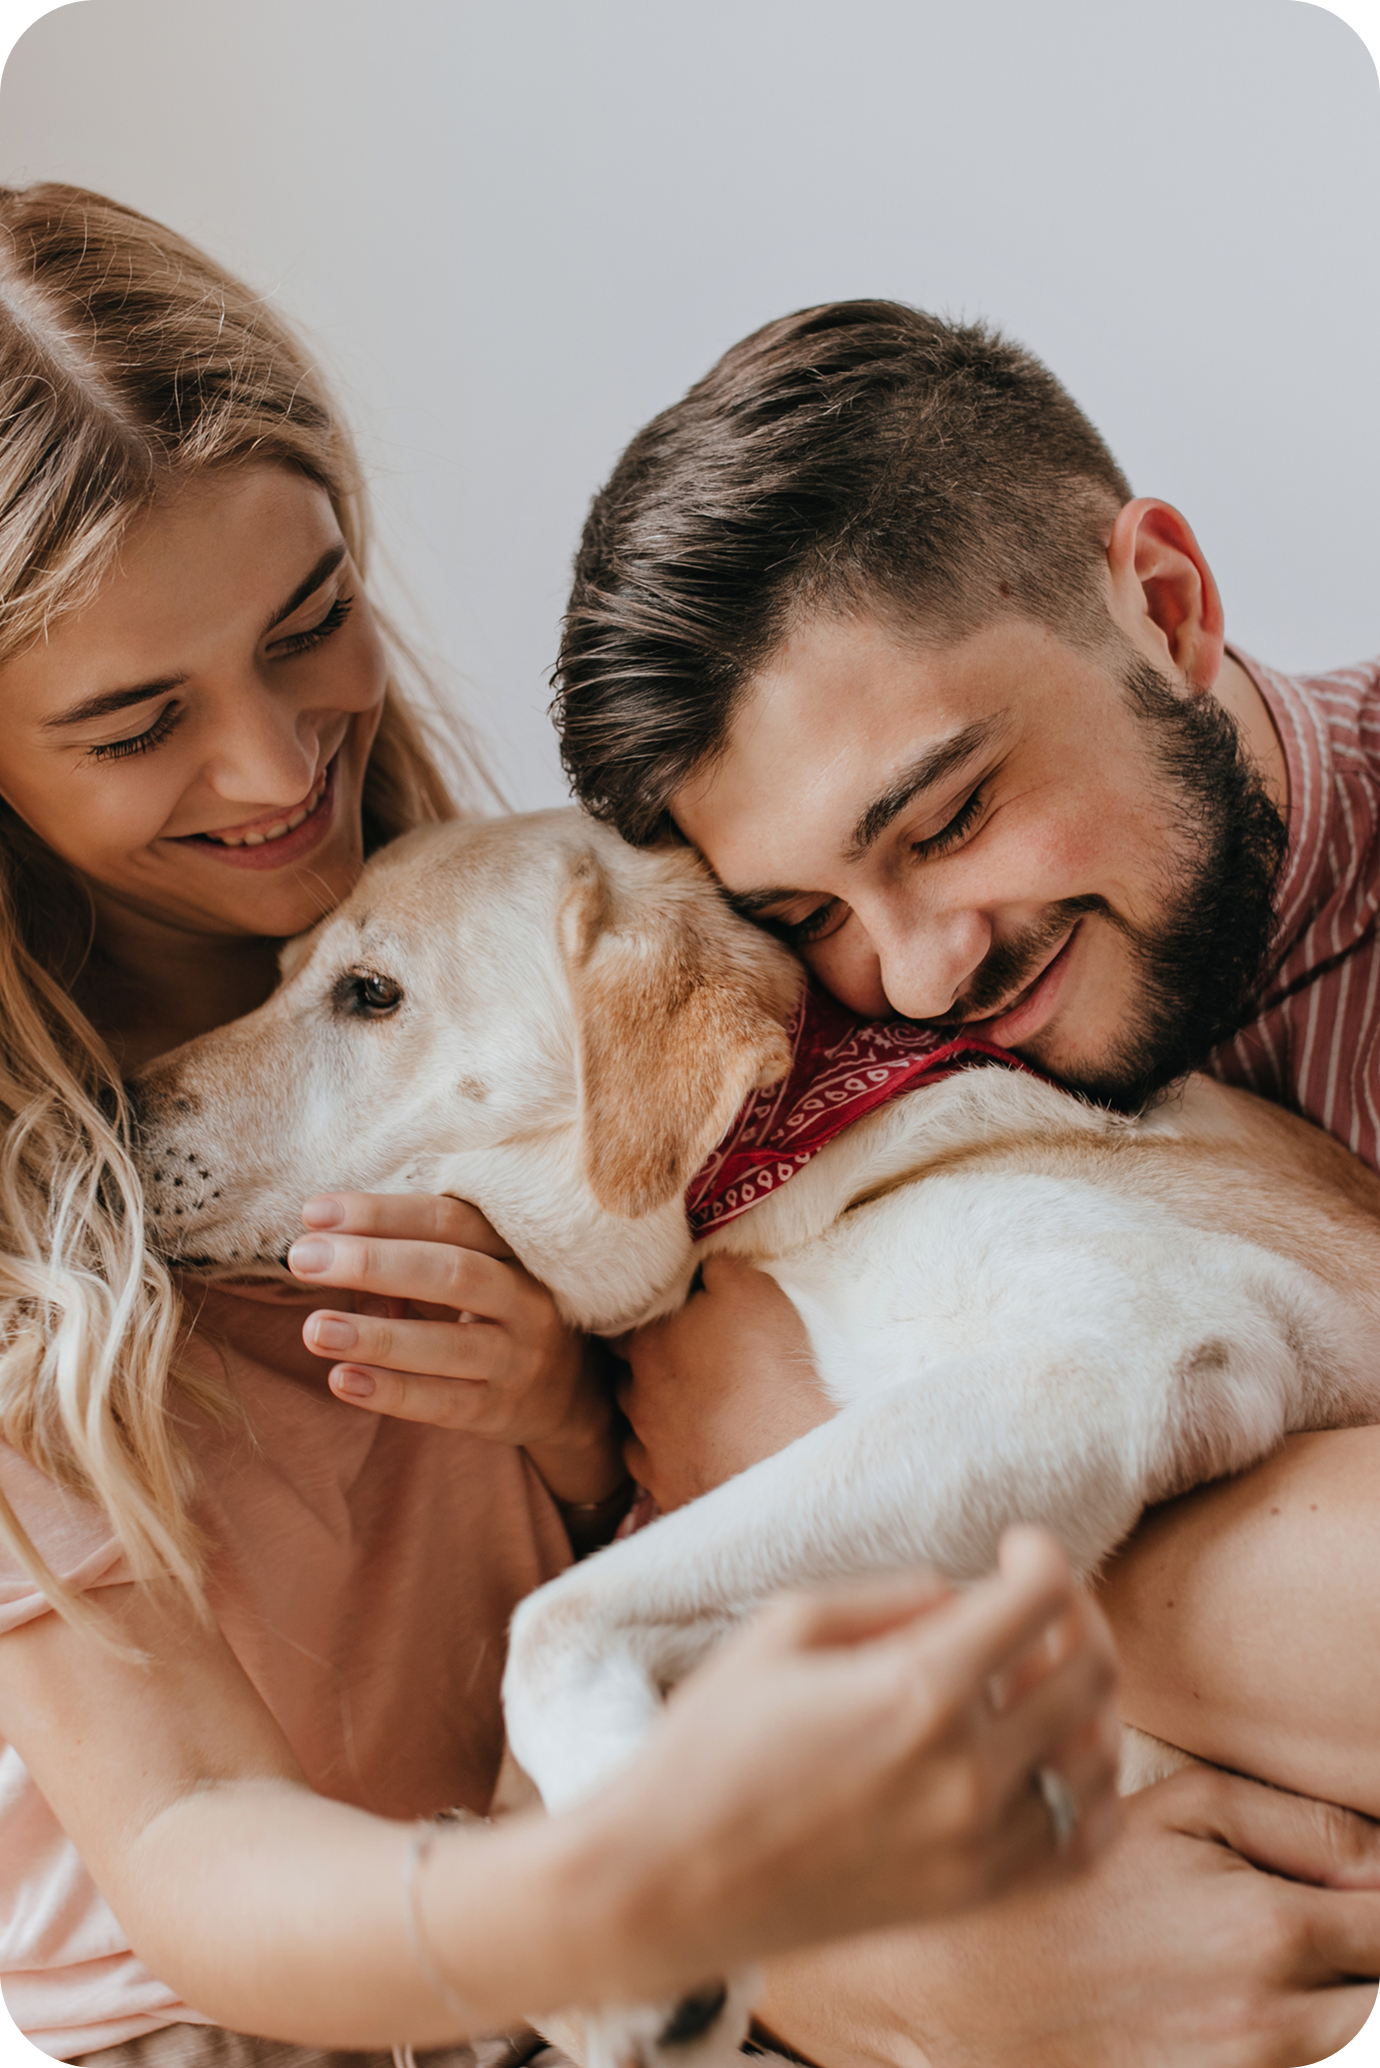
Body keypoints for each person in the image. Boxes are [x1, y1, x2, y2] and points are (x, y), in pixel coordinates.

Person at [0, 192, 1124, 2066]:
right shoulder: (28, 1244)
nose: (276, 768)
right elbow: (188, 1839)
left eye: (311, 622)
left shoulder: (528, 950)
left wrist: (567, 1414)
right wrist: (620, 1900)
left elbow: (677, 1488)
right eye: (133, 725)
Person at [549, 301, 1380, 2065]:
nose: (924, 976)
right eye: (810, 912)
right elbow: (610, 1825)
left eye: (946, 821)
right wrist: (928, 1982)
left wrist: (813, 1463)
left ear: (1165, 604)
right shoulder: (808, 1083)